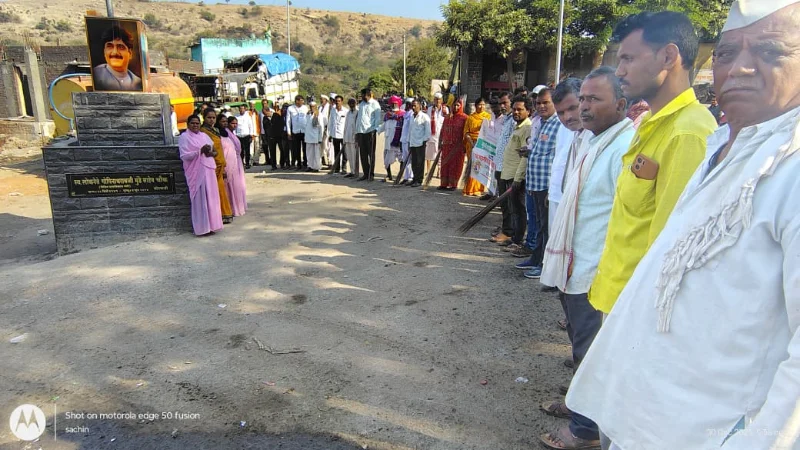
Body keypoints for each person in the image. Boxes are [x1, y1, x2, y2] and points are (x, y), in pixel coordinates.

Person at [568, 2, 800, 449]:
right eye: (728, 53)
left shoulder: (786, 165)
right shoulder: (722, 145)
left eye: (771, 52)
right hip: (649, 409)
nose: (740, 68)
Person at [587, 11, 718, 320]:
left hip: (639, 309)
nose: (618, 71)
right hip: (618, 297)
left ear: (668, 57)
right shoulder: (650, 122)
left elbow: (672, 247)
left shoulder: (688, 132)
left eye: (628, 59)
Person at [538, 68, 636, 450]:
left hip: (595, 272)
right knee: (580, 345)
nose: (582, 111)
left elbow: (620, 220)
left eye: (592, 101)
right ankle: (578, 404)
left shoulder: (625, 145)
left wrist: (601, 273)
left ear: (621, 104)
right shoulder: (596, 141)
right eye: (583, 102)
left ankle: (585, 431)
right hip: (574, 264)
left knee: (591, 351)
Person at [515, 88, 566, 267]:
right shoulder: (541, 123)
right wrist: (528, 152)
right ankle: (535, 258)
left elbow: (560, 158)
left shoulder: (560, 125)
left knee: (546, 227)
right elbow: (540, 152)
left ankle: (543, 265)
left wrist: (553, 189)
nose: (541, 106)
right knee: (536, 225)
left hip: (547, 186)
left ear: (555, 103)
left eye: (546, 102)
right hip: (534, 184)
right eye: (539, 103)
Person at [495, 96, 534, 251]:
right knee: (513, 208)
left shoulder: (527, 128)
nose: (516, 112)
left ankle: (517, 240)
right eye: (515, 109)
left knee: (519, 209)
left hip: (516, 177)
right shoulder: (518, 127)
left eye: (520, 109)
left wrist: (518, 179)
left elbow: (524, 158)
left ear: (529, 111)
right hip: (508, 173)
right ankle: (514, 238)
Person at [178, 114, 223, 236]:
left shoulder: (204, 136)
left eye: (197, 123)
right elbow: (184, 156)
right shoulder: (184, 137)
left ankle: (213, 225)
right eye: (192, 123)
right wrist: (200, 151)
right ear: (188, 124)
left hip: (208, 169)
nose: (195, 125)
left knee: (211, 197)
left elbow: (214, 152)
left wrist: (210, 153)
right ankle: (202, 228)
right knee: (200, 198)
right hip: (196, 172)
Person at [199, 108, 233, 224]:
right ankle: (217, 217)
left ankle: (224, 215)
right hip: (211, 166)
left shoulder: (214, 130)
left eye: (213, 117)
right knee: (215, 192)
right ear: (204, 117)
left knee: (221, 191)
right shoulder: (203, 131)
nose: (211, 120)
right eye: (209, 117)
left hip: (220, 165)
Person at [488, 93, 514, 235]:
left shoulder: (515, 121)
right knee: (503, 203)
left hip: (507, 167)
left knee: (509, 203)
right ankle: (506, 228)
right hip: (499, 165)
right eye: (501, 103)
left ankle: (509, 231)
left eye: (505, 103)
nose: (502, 106)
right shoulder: (507, 120)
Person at [93, 25, 143, 91]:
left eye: (121, 47)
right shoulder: (96, 75)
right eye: (110, 46)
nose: (115, 52)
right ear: (104, 52)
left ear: (130, 53)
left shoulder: (138, 82)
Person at [217, 115, 247, 217]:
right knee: (229, 185)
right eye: (223, 121)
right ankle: (230, 208)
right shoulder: (218, 134)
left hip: (236, 160)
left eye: (226, 121)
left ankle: (237, 206)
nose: (225, 123)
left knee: (237, 185)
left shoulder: (228, 134)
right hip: (227, 163)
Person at [462, 97, 492, 196]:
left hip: (483, 144)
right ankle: (470, 188)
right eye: (479, 104)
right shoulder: (470, 118)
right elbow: (466, 132)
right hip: (472, 144)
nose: (482, 106)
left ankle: (479, 188)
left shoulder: (488, 117)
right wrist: (471, 143)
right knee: (473, 166)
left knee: (481, 166)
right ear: (475, 106)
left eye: (483, 104)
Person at [438, 98, 469, 190]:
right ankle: (443, 184)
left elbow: (466, 132)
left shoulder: (465, 118)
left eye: (457, 105)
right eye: (454, 105)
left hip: (458, 147)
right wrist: (440, 141)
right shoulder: (447, 117)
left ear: (461, 106)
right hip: (447, 145)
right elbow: (442, 130)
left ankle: (453, 184)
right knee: (445, 165)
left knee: (455, 165)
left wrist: (465, 146)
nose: (455, 107)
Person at [355, 88, 382, 181]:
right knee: (363, 154)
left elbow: (378, 119)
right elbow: (359, 119)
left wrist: (375, 130)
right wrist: (357, 132)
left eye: (363, 95)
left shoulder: (375, 104)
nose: (362, 97)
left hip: (370, 132)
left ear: (368, 95)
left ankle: (371, 174)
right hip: (361, 132)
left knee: (371, 154)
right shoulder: (361, 104)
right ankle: (365, 173)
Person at [407, 99, 432, 187]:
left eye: (415, 106)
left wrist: (423, 141)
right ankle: (414, 179)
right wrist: (409, 142)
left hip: (420, 143)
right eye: (412, 106)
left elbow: (428, 132)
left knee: (419, 163)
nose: (413, 108)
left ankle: (419, 180)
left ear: (420, 106)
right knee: (414, 163)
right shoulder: (411, 117)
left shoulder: (424, 117)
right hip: (413, 143)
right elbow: (410, 131)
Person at [379, 96, 405, 182]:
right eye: (392, 103)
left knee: (402, 159)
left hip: (398, 141)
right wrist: (377, 130)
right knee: (386, 160)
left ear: (399, 104)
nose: (394, 105)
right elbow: (384, 125)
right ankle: (389, 175)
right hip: (388, 141)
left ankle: (399, 175)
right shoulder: (387, 115)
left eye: (395, 103)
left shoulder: (402, 115)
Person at [426, 92, 449, 175]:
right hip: (431, 134)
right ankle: (428, 170)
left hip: (441, 135)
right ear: (434, 100)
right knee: (429, 153)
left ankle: (439, 171)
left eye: (439, 99)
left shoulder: (445, 109)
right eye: (436, 99)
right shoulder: (429, 109)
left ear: (442, 100)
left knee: (440, 153)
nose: (437, 101)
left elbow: (447, 121)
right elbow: (427, 122)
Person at [286, 95, 309, 170]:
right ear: (296, 101)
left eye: (303, 101)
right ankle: (298, 164)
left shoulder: (305, 108)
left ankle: (305, 163)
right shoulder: (290, 108)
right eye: (300, 101)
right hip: (295, 131)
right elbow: (288, 121)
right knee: (296, 149)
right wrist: (289, 132)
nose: (302, 102)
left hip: (304, 131)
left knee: (305, 148)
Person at [328, 95, 348, 174]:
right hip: (335, 134)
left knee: (344, 152)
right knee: (336, 151)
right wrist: (330, 134)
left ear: (342, 102)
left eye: (339, 101)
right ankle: (337, 168)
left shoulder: (346, 111)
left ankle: (344, 168)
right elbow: (330, 122)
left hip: (343, 134)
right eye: (336, 101)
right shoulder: (333, 110)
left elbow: (347, 124)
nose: (337, 102)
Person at [304, 102, 324, 172]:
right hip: (308, 136)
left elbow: (321, 127)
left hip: (316, 136)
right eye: (311, 106)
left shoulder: (319, 115)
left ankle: (316, 167)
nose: (312, 108)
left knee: (316, 153)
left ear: (316, 107)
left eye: (313, 106)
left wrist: (320, 138)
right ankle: (310, 165)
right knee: (309, 152)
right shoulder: (308, 114)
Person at [399, 98, 415, 184]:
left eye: (409, 104)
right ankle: (406, 177)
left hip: (409, 141)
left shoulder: (412, 115)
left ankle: (410, 177)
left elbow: (411, 130)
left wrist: (409, 141)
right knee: (405, 159)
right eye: (407, 104)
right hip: (403, 140)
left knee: (410, 160)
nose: (407, 106)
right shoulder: (405, 115)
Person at [343, 98, 360, 179]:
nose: (351, 105)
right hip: (347, 137)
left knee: (354, 156)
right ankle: (352, 171)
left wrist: (357, 138)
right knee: (349, 156)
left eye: (353, 103)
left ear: (355, 104)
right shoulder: (348, 113)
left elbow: (357, 126)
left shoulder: (358, 112)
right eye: (350, 104)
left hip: (354, 138)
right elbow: (346, 126)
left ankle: (356, 172)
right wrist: (344, 138)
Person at [235, 104, 255, 169]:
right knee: (240, 151)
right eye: (240, 108)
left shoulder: (248, 117)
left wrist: (251, 135)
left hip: (246, 135)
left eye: (242, 108)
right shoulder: (236, 117)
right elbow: (235, 127)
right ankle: (241, 163)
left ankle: (247, 163)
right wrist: (235, 135)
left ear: (245, 109)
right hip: (239, 136)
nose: (241, 110)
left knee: (247, 151)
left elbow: (251, 126)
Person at [319, 94, 332, 166]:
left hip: (327, 128)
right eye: (320, 99)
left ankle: (330, 161)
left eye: (322, 99)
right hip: (321, 128)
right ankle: (323, 159)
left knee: (327, 145)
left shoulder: (329, 107)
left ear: (326, 100)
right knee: (322, 145)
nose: (321, 100)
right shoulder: (320, 107)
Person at [279, 103, 291, 169]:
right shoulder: (280, 116)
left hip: (290, 134)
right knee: (284, 150)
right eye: (284, 108)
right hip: (283, 135)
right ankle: (286, 163)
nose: (285, 110)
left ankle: (293, 163)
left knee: (292, 150)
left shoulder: (291, 116)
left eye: (286, 108)